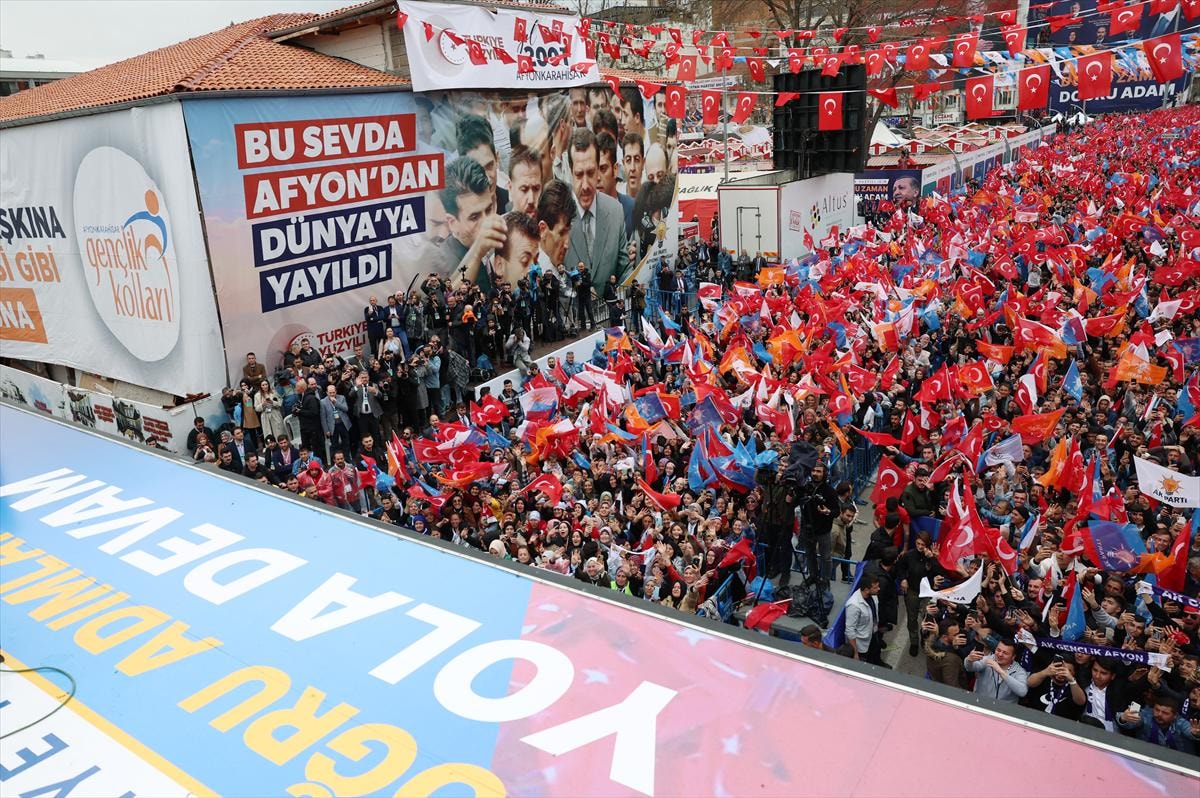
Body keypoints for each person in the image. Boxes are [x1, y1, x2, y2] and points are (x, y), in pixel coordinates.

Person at [564, 128, 630, 294]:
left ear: (598, 171)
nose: (586, 185)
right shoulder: (557, 217)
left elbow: (624, 271)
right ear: (570, 172)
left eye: (591, 173)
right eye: (579, 175)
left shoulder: (615, 211)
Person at [437, 156, 505, 285]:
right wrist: (477, 251)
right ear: (452, 223)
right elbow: (451, 294)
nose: (487, 222)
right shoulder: (443, 266)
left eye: (489, 209)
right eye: (474, 217)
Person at [965, 639, 1029, 703]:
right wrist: (969, 660)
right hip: (980, 704)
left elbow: (1022, 692)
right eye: (998, 650)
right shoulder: (988, 659)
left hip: (1004, 708)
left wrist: (1001, 672)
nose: (1000, 654)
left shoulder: (1019, 671)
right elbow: (970, 667)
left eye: (1005, 653)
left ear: (1013, 657)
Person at [845, 574, 883, 665]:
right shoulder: (854, 605)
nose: (879, 589)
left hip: (873, 635)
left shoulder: (873, 595)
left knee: (875, 654)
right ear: (866, 590)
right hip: (862, 644)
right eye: (875, 587)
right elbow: (850, 631)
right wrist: (855, 653)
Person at [320, 384, 351, 464]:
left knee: (346, 443)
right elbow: (323, 418)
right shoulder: (323, 402)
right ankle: (335, 462)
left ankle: (347, 459)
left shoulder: (341, 398)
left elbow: (346, 409)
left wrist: (336, 402)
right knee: (334, 445)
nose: (332, 394)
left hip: (343, 423)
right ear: (327, 392)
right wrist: (326, 430)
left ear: (336, 391)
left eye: (333, 392)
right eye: (330, 393)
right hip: (332, 426)